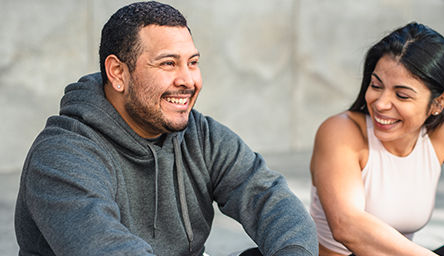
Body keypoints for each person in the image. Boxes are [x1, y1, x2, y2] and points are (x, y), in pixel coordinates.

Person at [14, 2, 318, 256]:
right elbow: (104, 247)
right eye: (168, 64)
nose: (188, 80)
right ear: (118, 73)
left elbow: (270, 199)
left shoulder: (201, 136)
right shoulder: (61, 155)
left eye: (193, 62)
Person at [309, 22, 444, 256]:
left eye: (402, 95)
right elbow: (347, 225)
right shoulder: (340, 131)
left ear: (437, 104)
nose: (381, 104)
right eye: (376, 85)